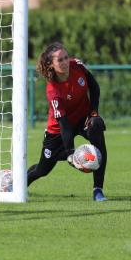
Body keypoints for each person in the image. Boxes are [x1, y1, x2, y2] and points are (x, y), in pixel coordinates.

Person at [27, 42, 108, 201]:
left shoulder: (77, 65)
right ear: (51, 64)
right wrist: (71, 154)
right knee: (43, 169)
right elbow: (64, 126)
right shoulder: (53, 90)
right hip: (58, 130)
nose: (65, 62)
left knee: (97, 129)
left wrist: (93, 113)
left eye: (66, 57)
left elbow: (94, 87)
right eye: (60, 60)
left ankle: (98, 190)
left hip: (83, 117)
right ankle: (19, 184)